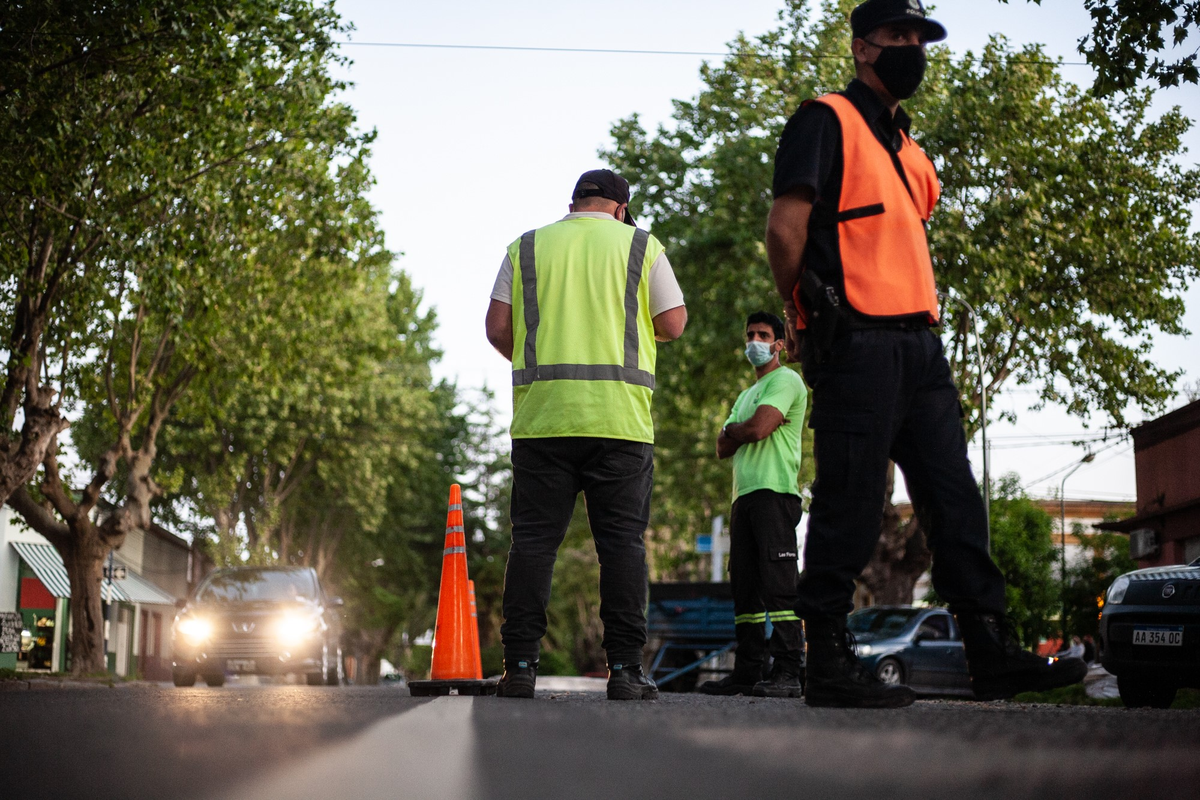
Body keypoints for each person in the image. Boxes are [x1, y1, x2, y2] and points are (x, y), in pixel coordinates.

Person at [764, 0, 1087, 708]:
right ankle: (827, 662)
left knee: (955, 501)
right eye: (896, 36)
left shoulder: (909, 150)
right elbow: (785, 229)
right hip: (857, 342)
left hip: (921, 346)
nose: (911, 47)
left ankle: (991, 654)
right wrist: (802, 309)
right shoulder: (824, 120)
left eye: (918, 37)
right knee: (850, 500)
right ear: (862, 47)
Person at [485, 168, 687, 701]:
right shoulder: (641, 246)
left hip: (543, 418)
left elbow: (497, 328)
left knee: (532, 543)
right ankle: (625, 670)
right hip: (619, 422)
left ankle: (519, 666)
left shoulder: (526, 247)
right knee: (620, 546)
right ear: (621, 208)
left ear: (574, 203)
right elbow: (673, 323)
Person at [698, 312, 808, 698]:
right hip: (742, 497)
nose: (754, 342)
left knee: (779, 586)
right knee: (744, 589)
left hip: (775, 493)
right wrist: (738, 430)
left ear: (779, 344)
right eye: (750, 335)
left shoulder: (786, 380)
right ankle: (747, 671)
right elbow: (721, 447)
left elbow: (758, 429)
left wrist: (736, 429)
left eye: (763, 335)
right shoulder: (747, 395)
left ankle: (788, 670)